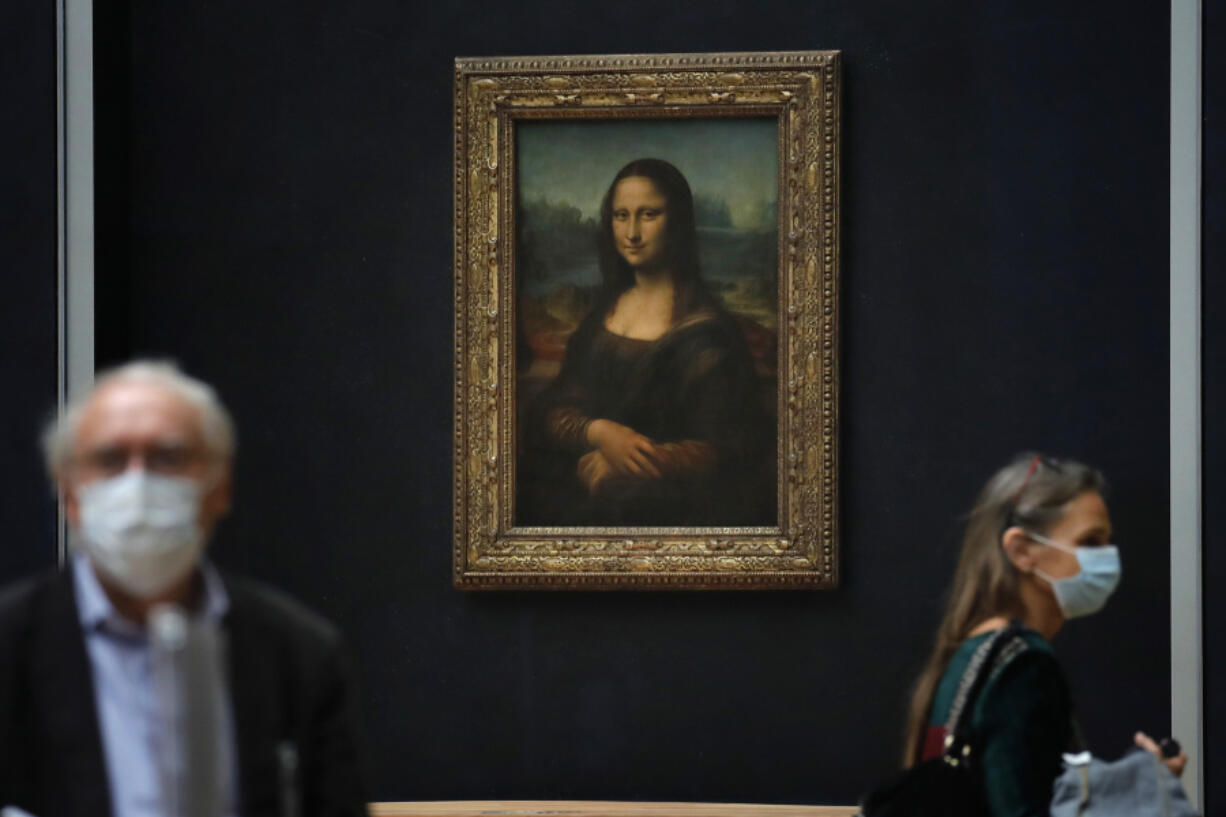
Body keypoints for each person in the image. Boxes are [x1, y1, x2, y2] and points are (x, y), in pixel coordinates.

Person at [0, 361, 369, 817]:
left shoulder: (300, 653)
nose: (138, 483)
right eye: (110, 460)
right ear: (70, 493)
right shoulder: (9, 645)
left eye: (168, 458)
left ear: (220, 487)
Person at [901, 453, 1186, 816]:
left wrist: (1140, 782)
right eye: (1090, 542)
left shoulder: (970, 652)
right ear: (1022, 551)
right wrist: (1143, 799)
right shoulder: (1024, 667)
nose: (1108, 557)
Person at [519, 158, 772, 526]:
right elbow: (551, 411)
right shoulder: (601, 318)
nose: (631, 232)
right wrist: (601, 433)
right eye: (621, 216)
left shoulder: (709, 332)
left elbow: (730, 448)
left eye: (649, 214)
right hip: (578, 497)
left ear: (678, 223)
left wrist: (632, 461)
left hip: (672, 512)